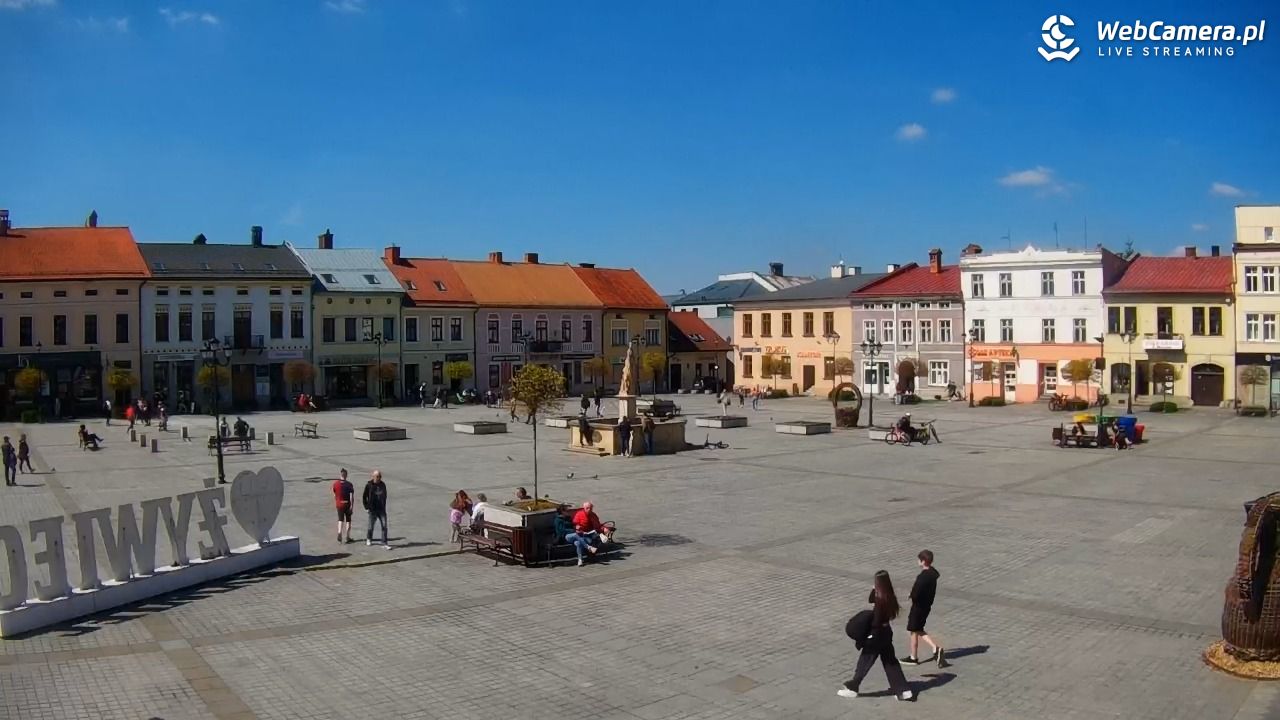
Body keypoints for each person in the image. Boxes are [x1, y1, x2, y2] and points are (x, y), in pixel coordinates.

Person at [837, 570, 913, 701]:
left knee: (865, 661)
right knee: (890, 662)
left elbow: (876, 621)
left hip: (876, 635)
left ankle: (853, 687)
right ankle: (903, 690)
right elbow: (871, 599)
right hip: (886, 633)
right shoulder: (889, 595)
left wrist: (868, 637)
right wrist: (874, 590)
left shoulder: (880, 600)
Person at [902, 550, 948, 668]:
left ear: (923, 561)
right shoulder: (933, 574)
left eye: (919, 560)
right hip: (926, 606)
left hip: (918, 607)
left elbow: (916, 592)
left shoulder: (922, 577)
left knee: (914, 629)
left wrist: (911, 595)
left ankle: (926, 652)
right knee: (917, 629)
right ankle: (916, 655)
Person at [362, 470, 390, 548]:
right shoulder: (369, 485)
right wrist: (366, 507)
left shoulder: (383, 484)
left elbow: (385, 495)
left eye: (380, 476)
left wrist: (383, 503)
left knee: (384, 526)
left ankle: (384, 542)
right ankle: (369, 539)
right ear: (373, 476)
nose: (379, 478)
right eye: (377, 476)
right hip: (372, 509)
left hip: (381, 509)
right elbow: (364, 497)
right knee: (371, 526)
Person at [332, 468, 355, 543]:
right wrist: (351, 506)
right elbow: (351, 497)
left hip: (339, 504)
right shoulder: (349, 484)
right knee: (348, 520)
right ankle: (347, 537)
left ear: (340, 475)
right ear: (346, 475)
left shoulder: (335, 484)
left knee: (340, 519)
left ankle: (339, 532)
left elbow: (334, 492)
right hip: (347, 504)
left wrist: (336, 499)